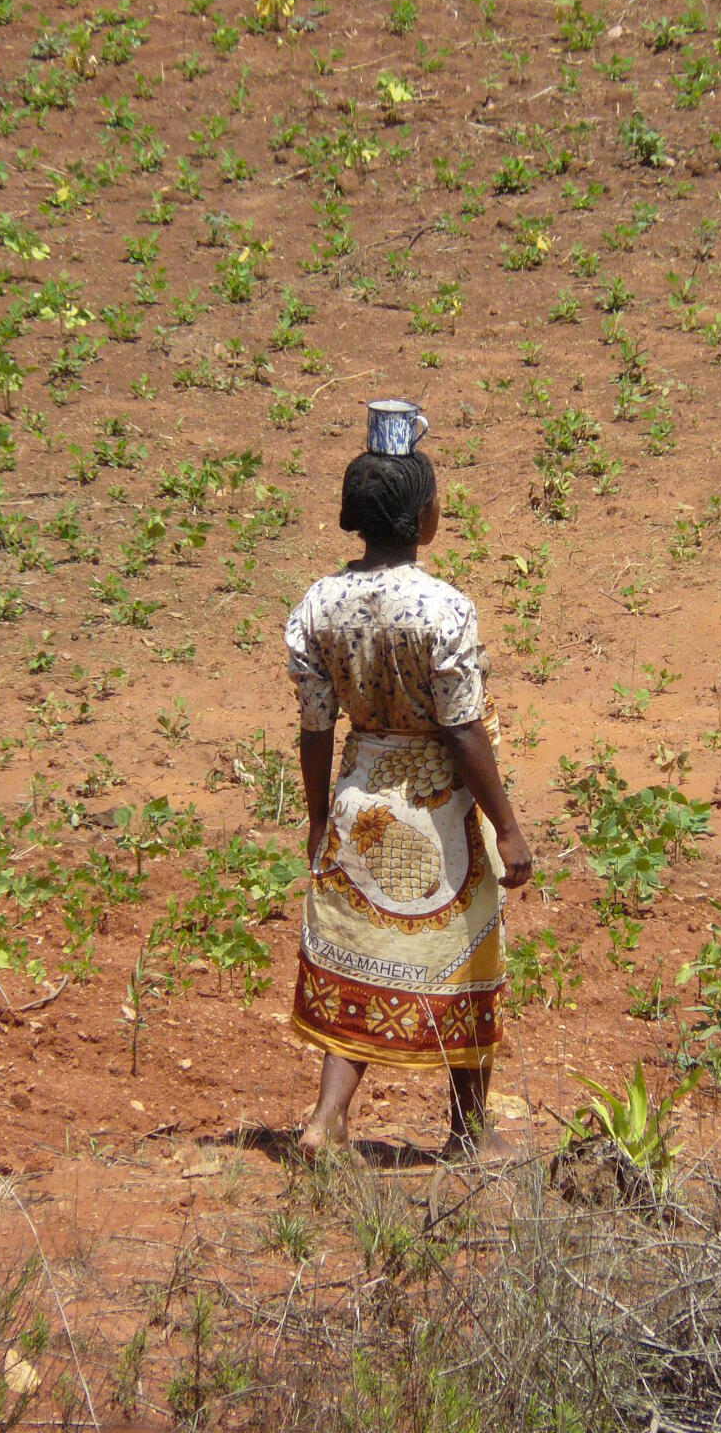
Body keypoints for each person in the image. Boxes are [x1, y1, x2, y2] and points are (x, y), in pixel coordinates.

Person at [284, 447, 532, 1160]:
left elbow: (314, 726)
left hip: (361, 794)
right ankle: (466, 1133)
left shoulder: (316, 605)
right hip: (438, 806)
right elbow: (461, 728)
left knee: (359, 955)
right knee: (465, 956)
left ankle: (326, 1121)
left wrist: (319, 819)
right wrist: (507, 829)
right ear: (420, 517)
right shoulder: (443, 607)